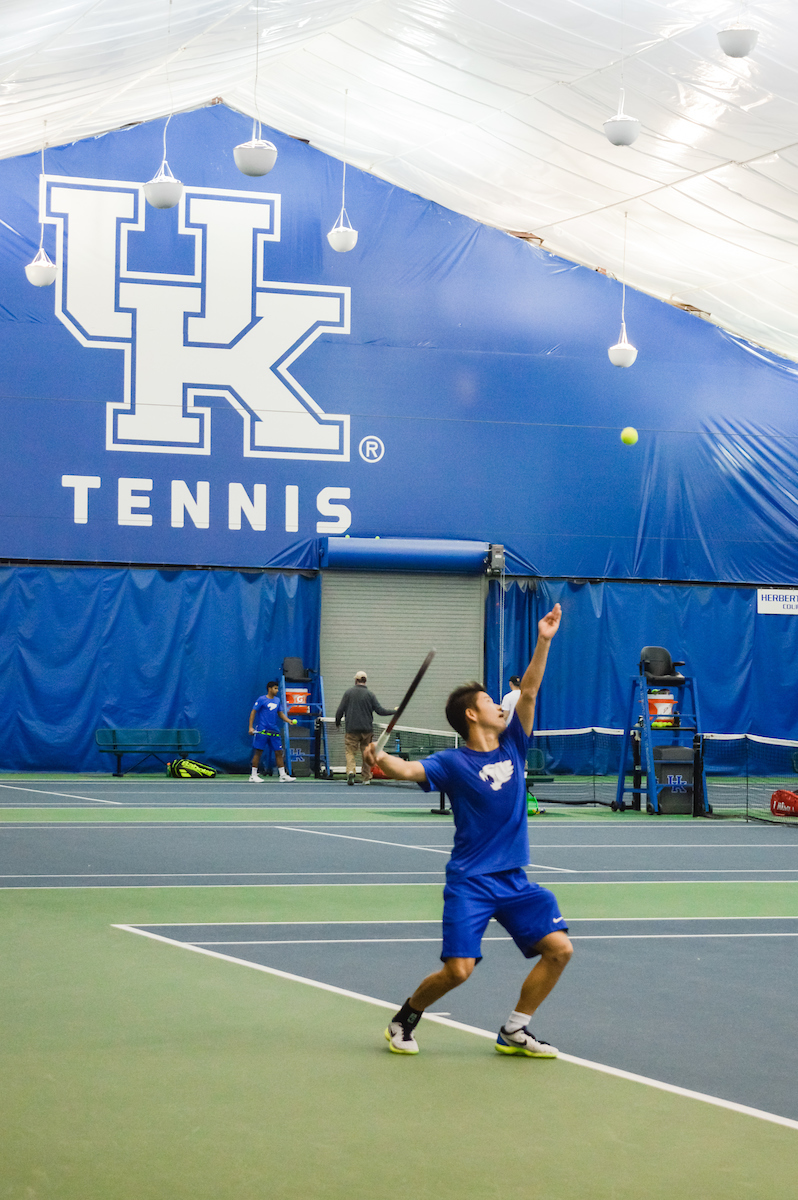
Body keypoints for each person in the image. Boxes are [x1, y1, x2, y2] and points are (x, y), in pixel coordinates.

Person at [363, 603, 571, 1057]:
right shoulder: (453, 763)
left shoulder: (514, 743)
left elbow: (530, 692)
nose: (501, 706)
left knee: (559, 950)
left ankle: (515, 1030)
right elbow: (406, 768)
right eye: (490, 703)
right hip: (471, 881)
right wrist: (380, 759)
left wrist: (544, 640)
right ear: (472, 716)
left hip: (514, 879)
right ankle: (404, 1020)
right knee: (458, 971)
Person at [335, 671, 395, 785]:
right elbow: (380, 711)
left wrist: (337, 722)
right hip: (367, 730)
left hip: (351, 729)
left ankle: (351, 771)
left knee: (350, 752)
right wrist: (394, 712)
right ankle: (366, 777)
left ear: (355, 680)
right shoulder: (370, 695)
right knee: (366, 753)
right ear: (365, 681)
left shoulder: (348, 693)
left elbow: (340, 710)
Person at [248, 682, 298, 782]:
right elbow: (253, 712)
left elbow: (280, 713)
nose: (277, 690)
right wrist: (250, 727)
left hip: (274, 731)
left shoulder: (277, 700)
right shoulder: (261, 699)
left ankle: (282, 775)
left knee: (279, 752)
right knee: (258, 752)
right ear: (269, 689)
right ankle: (253, 776)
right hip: (262, 730)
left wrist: (289, 721)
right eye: (275, 688)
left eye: (277, 688)